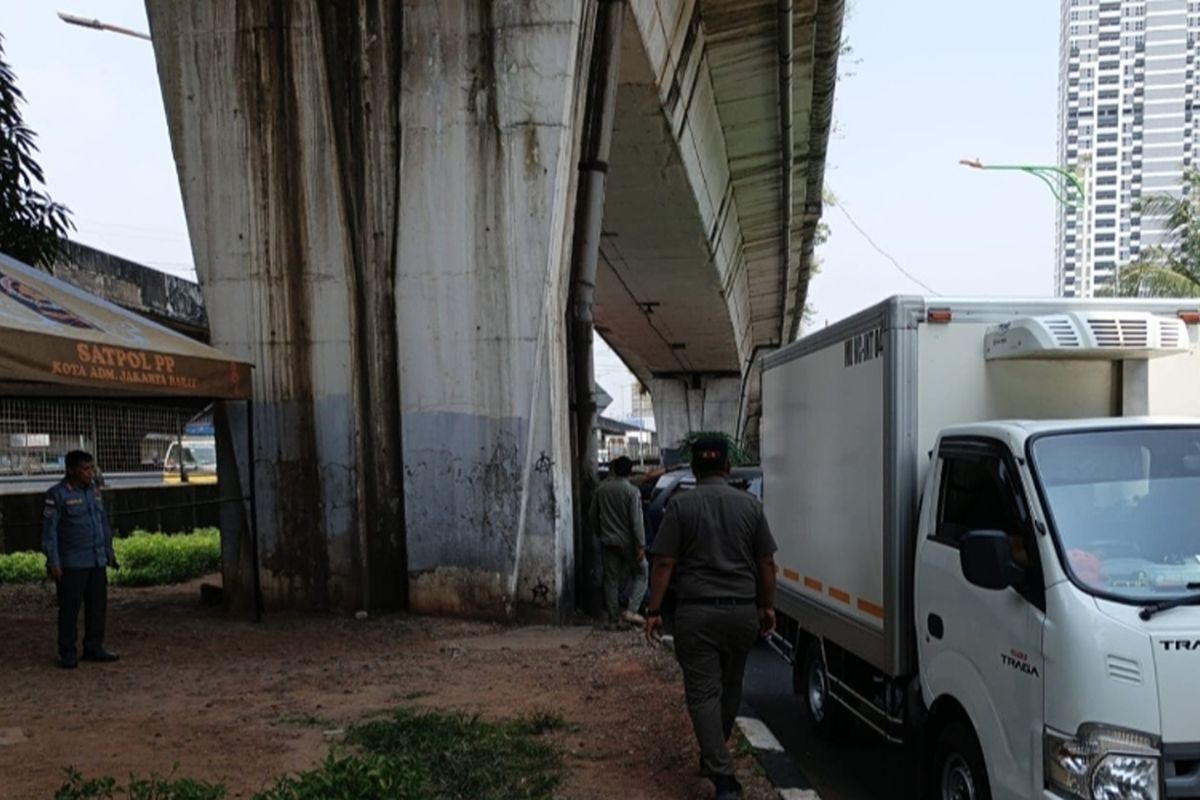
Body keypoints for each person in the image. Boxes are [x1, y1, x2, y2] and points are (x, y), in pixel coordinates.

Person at [644, 437, 777, 800]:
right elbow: (766, 562)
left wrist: (654, 610)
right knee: (731, 685)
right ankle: (715, 753)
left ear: (694, 470)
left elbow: (664, 562)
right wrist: (767, 607)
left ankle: (723, 776)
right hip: (742, 613)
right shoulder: (751, 505)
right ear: (727, 468)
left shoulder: (680, 506)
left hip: (697, 613)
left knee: (703, 692)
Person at [42, 450, 120, 669]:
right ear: (71, 470)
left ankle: (93, 647)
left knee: (97, 606)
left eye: (91, 468)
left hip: (96, 560)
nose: (90, 473)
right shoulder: (56, 494)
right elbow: (50, 532)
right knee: (69, 609)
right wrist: (54, 561)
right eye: (85, 469)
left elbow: (102, 523)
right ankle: (67, 651)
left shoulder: (94, 491)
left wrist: (108, 550)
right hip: (72, 562)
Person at [589, 456, 648, 628]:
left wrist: (600, 533)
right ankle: (631, 610)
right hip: (628, 542)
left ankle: (614, 619)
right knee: (641, 573)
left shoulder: (601, 489)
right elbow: (637, 521)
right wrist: (641, 545)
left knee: (611, 581)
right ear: (629, 471)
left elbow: (592, 516)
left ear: (613, 469)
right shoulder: (631, 491)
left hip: (608, 541)